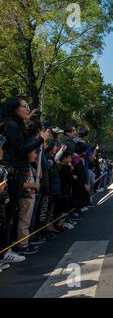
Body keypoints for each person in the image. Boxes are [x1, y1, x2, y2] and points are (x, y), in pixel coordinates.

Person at [0, 96, 50, 263]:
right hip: (13, 172)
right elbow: (22, 149)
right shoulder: (11, 125)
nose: (27, 109)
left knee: (12, 214)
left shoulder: (17, 125)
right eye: (24, 106)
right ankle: (5, 252)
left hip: (18, 171)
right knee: (8, 214)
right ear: (15, 108)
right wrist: (40, 139)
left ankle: (7, 249)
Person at [15, 149, 39, 255]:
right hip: (26, 196)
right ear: (28, 153)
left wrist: (37, 162)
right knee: (24, 221)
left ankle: (25, 242)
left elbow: (40, 174)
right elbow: (20, 183)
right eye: (34, 153)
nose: (36, 155)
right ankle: (22, 245)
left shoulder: (29, 165)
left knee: (27, 221)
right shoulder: (23, 167)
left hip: (31, 195)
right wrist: (33, 185)